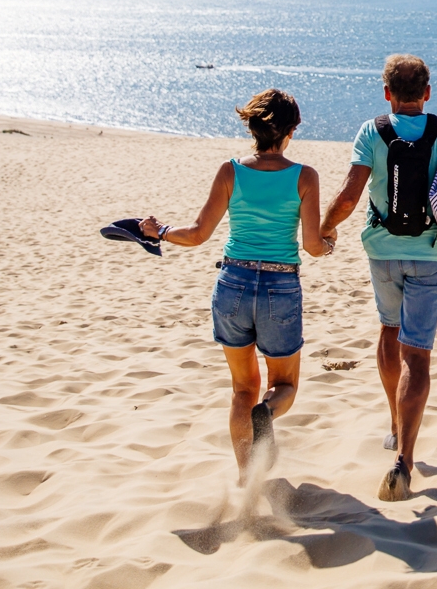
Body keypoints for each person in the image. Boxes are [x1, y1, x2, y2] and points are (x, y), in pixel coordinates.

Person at [138, 89, 328, 483]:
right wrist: (328, 245)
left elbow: (196, 235)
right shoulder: (304, 176)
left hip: (233, 284)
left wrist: (160, 232)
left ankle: (247, 480)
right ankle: (268, 413)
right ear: (292, 130)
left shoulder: (230, 171)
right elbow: (311, 246)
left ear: (253, 127)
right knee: (284, 384)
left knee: (243, 388)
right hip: (279, 286)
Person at [322, 55, 437, 501]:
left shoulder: (371, 130)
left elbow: (351, 193)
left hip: (382, 250)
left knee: (389, 330)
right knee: (418, 355)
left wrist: (325, 226)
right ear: (427, 93)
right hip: (431, 253)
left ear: (387, 93)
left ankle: (394, 426)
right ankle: (405, 460)